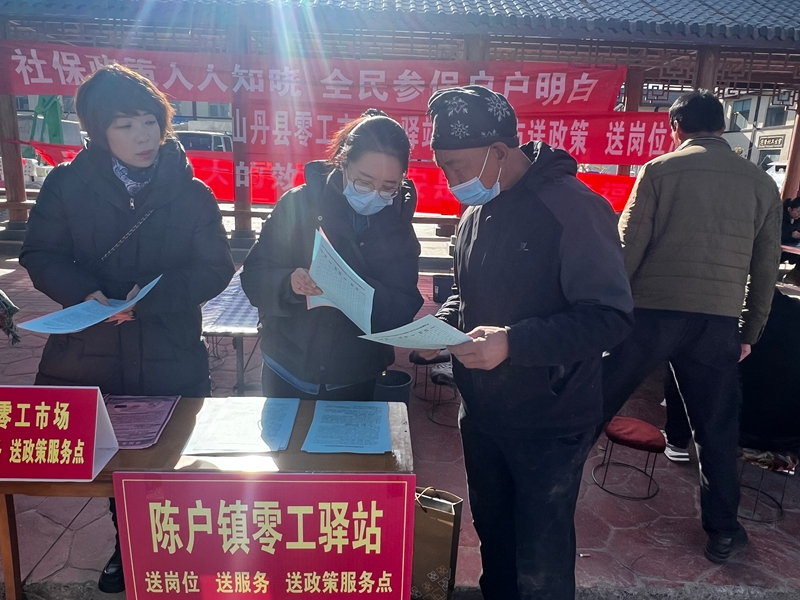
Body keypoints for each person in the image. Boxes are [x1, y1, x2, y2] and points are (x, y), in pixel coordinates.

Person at [19, 64, 235, 593]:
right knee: (114, 458)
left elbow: (215, 267)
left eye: (149, 122)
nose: (142, 136)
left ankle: (176, 548)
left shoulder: (193, 193)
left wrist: (152, 300)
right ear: (97, 131)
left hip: (169, 346)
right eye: (125, 125)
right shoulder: (66, 186)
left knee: (171, 453)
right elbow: (41, 253)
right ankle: (129, 545)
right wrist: (84, 292)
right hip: (92, 347)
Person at [418, 86, 633, 600]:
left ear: (498, 150)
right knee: (495, 539)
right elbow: (465, 296)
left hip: (549, 420)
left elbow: (610, 317)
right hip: (482, 411)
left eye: (456, 166)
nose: (450, 179)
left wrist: (514, 343)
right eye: (443, 167)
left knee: (540, 558)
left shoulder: (574, 209)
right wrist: (438, 330)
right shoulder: (476, 212)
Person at [601, 90, 781, 564]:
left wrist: (609, 311)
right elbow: (765, 268)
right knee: (716, 429)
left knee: (594, 404)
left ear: (675, 127)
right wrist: (749, 331)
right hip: (716, 323)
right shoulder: (762, 183)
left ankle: (543, 493)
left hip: (649, 314)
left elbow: (627, 247)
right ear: (722, 127)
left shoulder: (659, 170)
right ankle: (723, 533)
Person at [241, 111, 423, 399]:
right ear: (343, 162)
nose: (374, 194)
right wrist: (289, 283)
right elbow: (254, 275)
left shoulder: (399, 227)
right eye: (364, 182)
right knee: (285, 429)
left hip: (356, 374)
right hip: (287, 364)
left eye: (389, 187)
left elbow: (404, 304)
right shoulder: (298, 204)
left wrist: (357, 291)